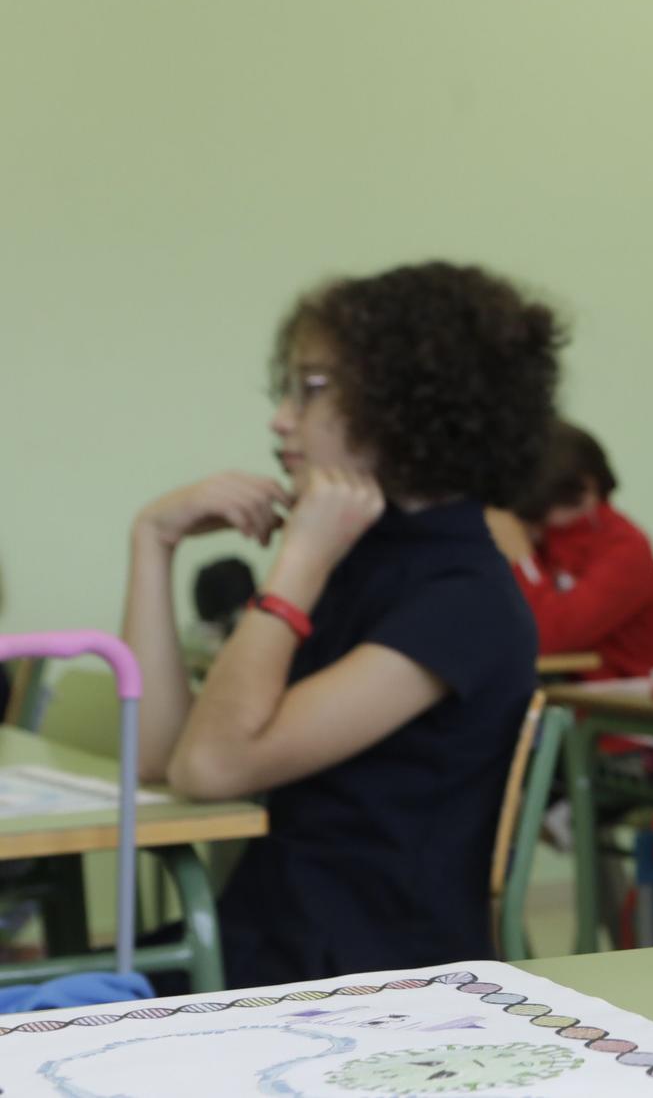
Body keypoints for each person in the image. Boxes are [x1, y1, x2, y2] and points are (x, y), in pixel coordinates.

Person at [120, 261, 559, 987]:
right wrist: (151, 540)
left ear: (410, 405)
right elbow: (160, 758)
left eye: (313, 388)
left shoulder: (463, 599)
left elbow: (211, 767)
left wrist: (298, 560)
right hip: (277, 938)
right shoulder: (366, 558)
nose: (281, 417)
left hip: (362, 974)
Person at [489, 421, 653, 677]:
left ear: (587, 489)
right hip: (564, 695)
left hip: (624, 705)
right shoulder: (548, 535)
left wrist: (522, 559)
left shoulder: (625, 547)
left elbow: (547, 638)